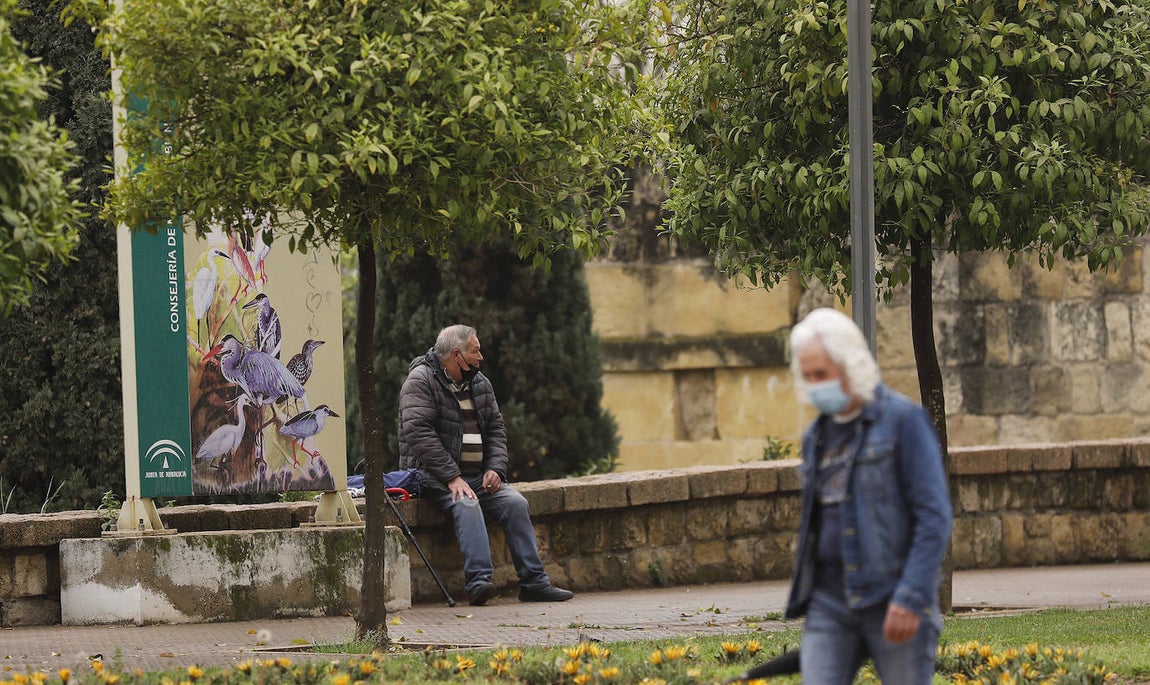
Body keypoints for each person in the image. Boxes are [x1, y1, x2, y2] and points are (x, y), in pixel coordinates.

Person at [784, 308, 953, 684]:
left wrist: (911, 596)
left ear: (851, 365)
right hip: (829, 602)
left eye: (821, 375)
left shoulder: (903, 423)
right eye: (807, 376)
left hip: (893, 597)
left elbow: (934, 516)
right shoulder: (816, 437)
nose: (814, 386)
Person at [397, 324, 574, 606]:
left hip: (477, 476)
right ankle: (479, 582)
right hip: (433, 478)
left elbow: (496, 429)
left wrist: (495, 469)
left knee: (515, 503)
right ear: (457, 355)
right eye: (475, 351)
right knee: (466, 503)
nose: (481, 357)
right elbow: (419, 433)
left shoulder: (480, 383)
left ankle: (534, 583)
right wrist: (452, 477)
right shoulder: (420, 381)